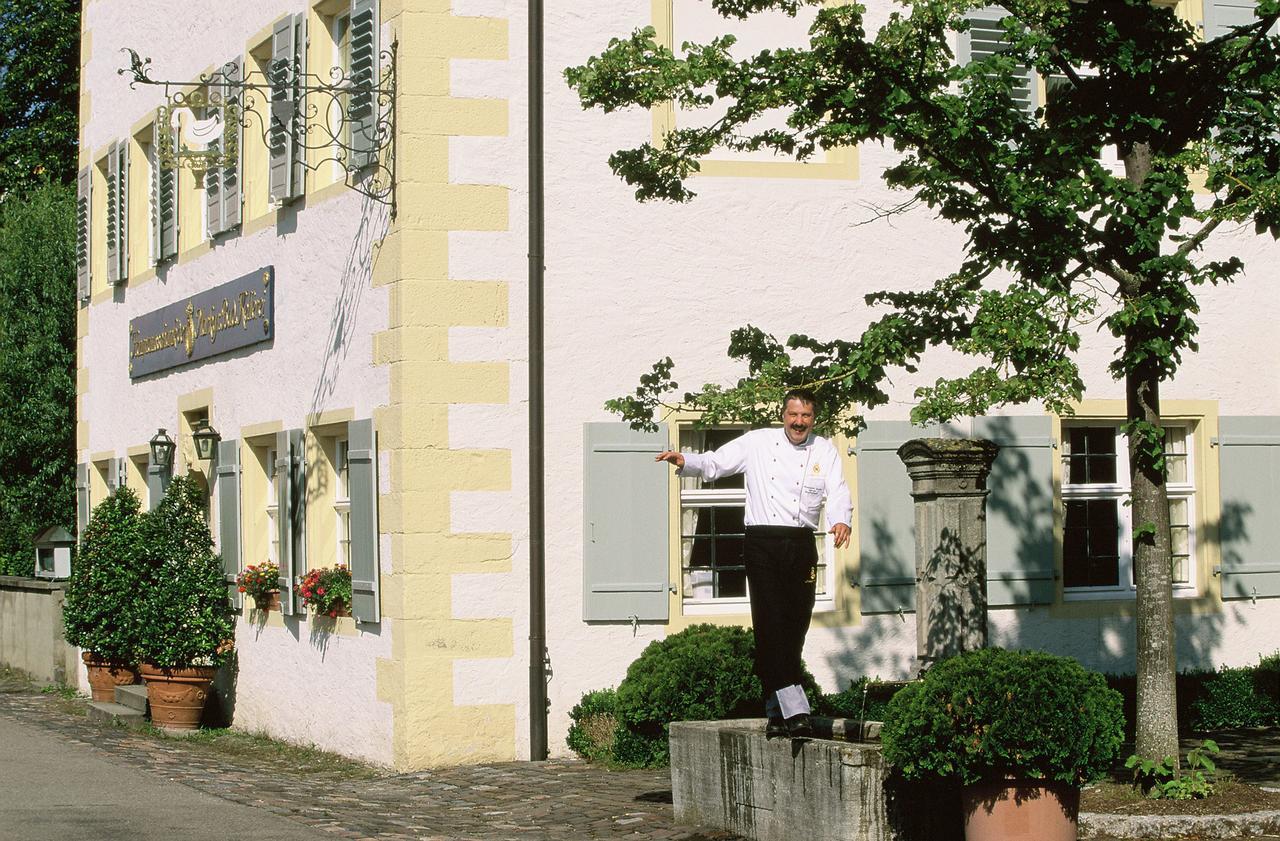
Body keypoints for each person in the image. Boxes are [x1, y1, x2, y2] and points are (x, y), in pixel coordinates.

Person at [655, 388, 852, 738]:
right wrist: (687, 461)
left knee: (795, 626)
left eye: (806, 416)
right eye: (793, 415)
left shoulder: (825, 450)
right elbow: (716, 462)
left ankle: (775, 711)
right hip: (762, 542)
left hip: (802, 543)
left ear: (813, 419)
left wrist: (840, 519)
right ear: (783, 416)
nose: (799, 422)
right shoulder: (757, 443)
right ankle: (796, 710)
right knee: (770, 622)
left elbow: (837, 490)